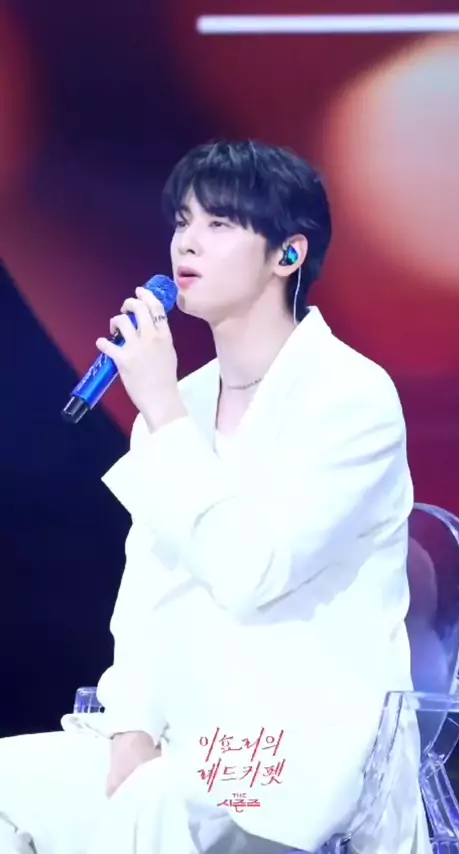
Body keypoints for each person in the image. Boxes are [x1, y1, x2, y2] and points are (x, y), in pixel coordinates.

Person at [0, 140, 431, 854]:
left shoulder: (351, 397)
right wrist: (132, 726)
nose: (187, 243)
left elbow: (250, 571)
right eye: (182, 221)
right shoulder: (181, 403)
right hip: (184, 735)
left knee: (156, 800)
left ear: (287, 254)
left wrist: (163, 411)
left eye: (220, 223)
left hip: (297, 747)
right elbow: (148, 594)